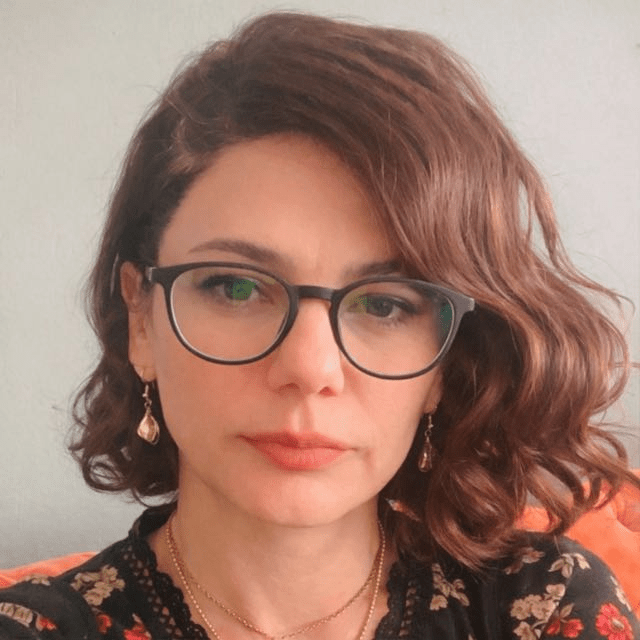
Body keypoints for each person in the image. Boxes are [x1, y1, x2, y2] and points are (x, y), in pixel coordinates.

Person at [0, 10, 638, 640]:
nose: (309, 368)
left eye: (385, 305)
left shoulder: (545, 604)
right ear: (141, 320)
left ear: (446, 363)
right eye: (237, 287)